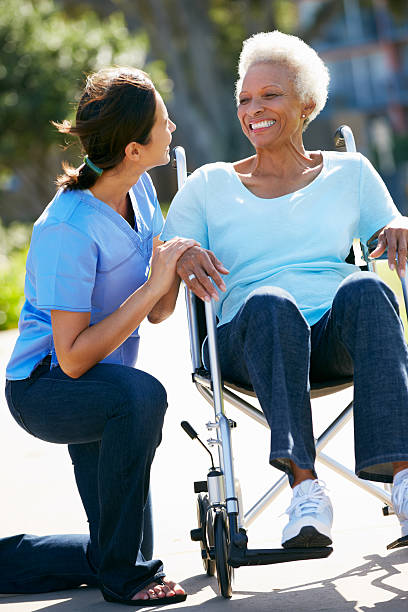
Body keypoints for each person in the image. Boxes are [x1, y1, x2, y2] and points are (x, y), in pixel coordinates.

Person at [161, 31, 408, 549]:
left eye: (270, 95)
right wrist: (177, 256)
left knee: (366, 288)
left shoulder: (351, 172)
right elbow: (160, 299)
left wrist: (402, 223)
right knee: (272, 303)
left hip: (334, 336)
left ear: (307, 106)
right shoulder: (206, 185)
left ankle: (404, 479)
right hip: (248, 337)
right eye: (245, 100)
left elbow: (390, 233)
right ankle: (306, 492)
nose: (254, 110)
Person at [2, 66, 194, 605]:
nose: (173, 127)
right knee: (144, 394)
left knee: (118, 544)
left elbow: (154, 314)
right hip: (48, 389)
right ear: (133, 148)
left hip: (105, 385)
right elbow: (72, 359)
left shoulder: (143, 192)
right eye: (163, 122)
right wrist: (156, 280)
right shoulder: (67, 227)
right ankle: (126, 580)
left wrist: (174, 268)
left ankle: (105, 563)